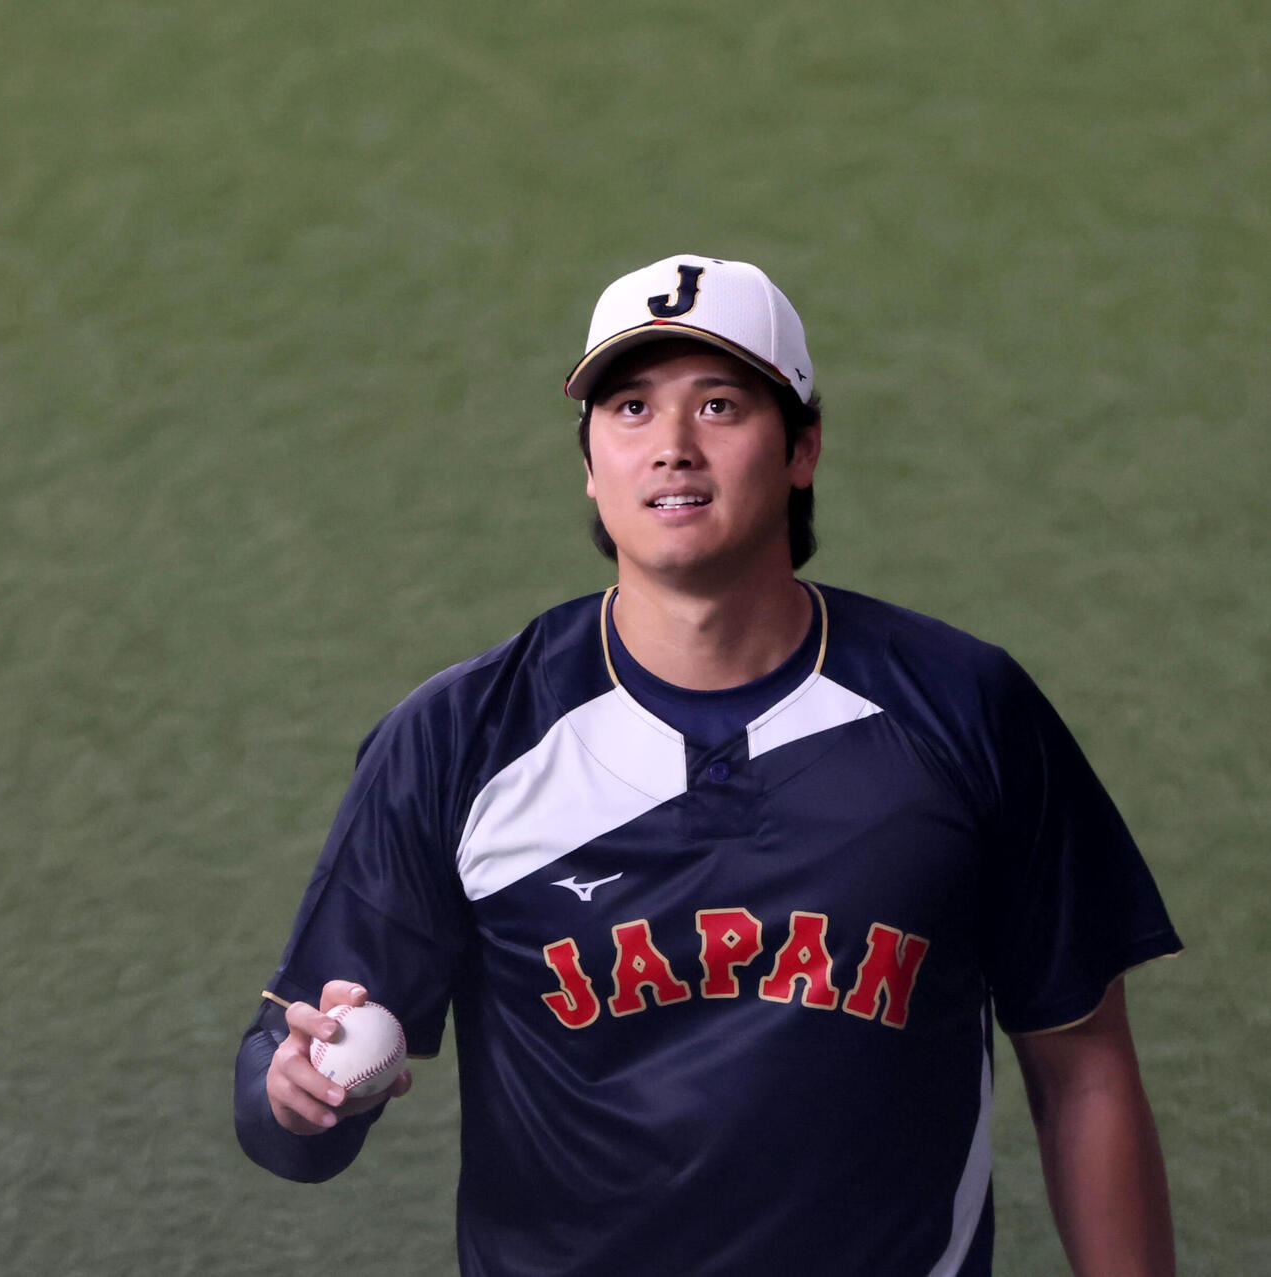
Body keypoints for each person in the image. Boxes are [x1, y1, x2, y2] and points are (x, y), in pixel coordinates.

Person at [234, 254, 1182, 1276]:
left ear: (803, 446)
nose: (672, 447)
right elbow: (287, 1114)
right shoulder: (463, 738)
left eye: (720, 404)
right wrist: (298, 1093)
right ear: (589, 465)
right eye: (631, 408)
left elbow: (1082, 1066)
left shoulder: (961, 709)